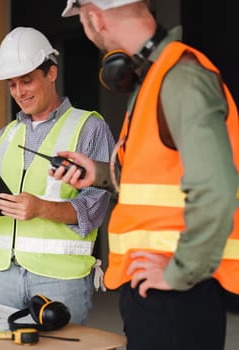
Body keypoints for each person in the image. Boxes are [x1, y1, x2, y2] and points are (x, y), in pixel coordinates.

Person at [55, 1, 239, 349]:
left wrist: (179, 271)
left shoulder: (180, 78)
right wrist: (98, 174)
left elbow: (218, 187)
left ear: (94, 16)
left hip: (176, 293)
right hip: (153, 289)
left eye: (81, 19)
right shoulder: (156, 78)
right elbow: (159, 174)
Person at [0, 27, 115, 325]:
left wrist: (41, 208)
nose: (19, 92)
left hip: (60, 277)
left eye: (27, 80)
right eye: (12, 84)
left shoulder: (88, 126)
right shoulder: (6, 136)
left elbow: (96, 205)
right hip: (5, 276)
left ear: (51, 73)